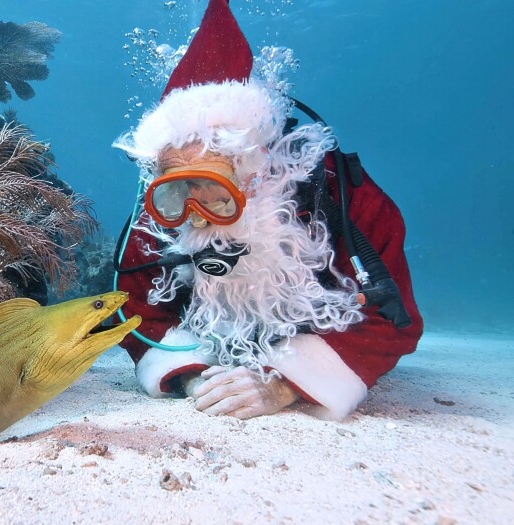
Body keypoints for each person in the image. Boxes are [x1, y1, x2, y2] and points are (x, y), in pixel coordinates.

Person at [113, 0, 423, 421]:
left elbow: (392, 319)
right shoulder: (161, 216)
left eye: (217, 192)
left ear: (257, 171)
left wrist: (286, 384)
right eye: (179, 187)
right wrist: (190, 374)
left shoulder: (344, 198)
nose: (197, 213)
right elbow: (134, 311)